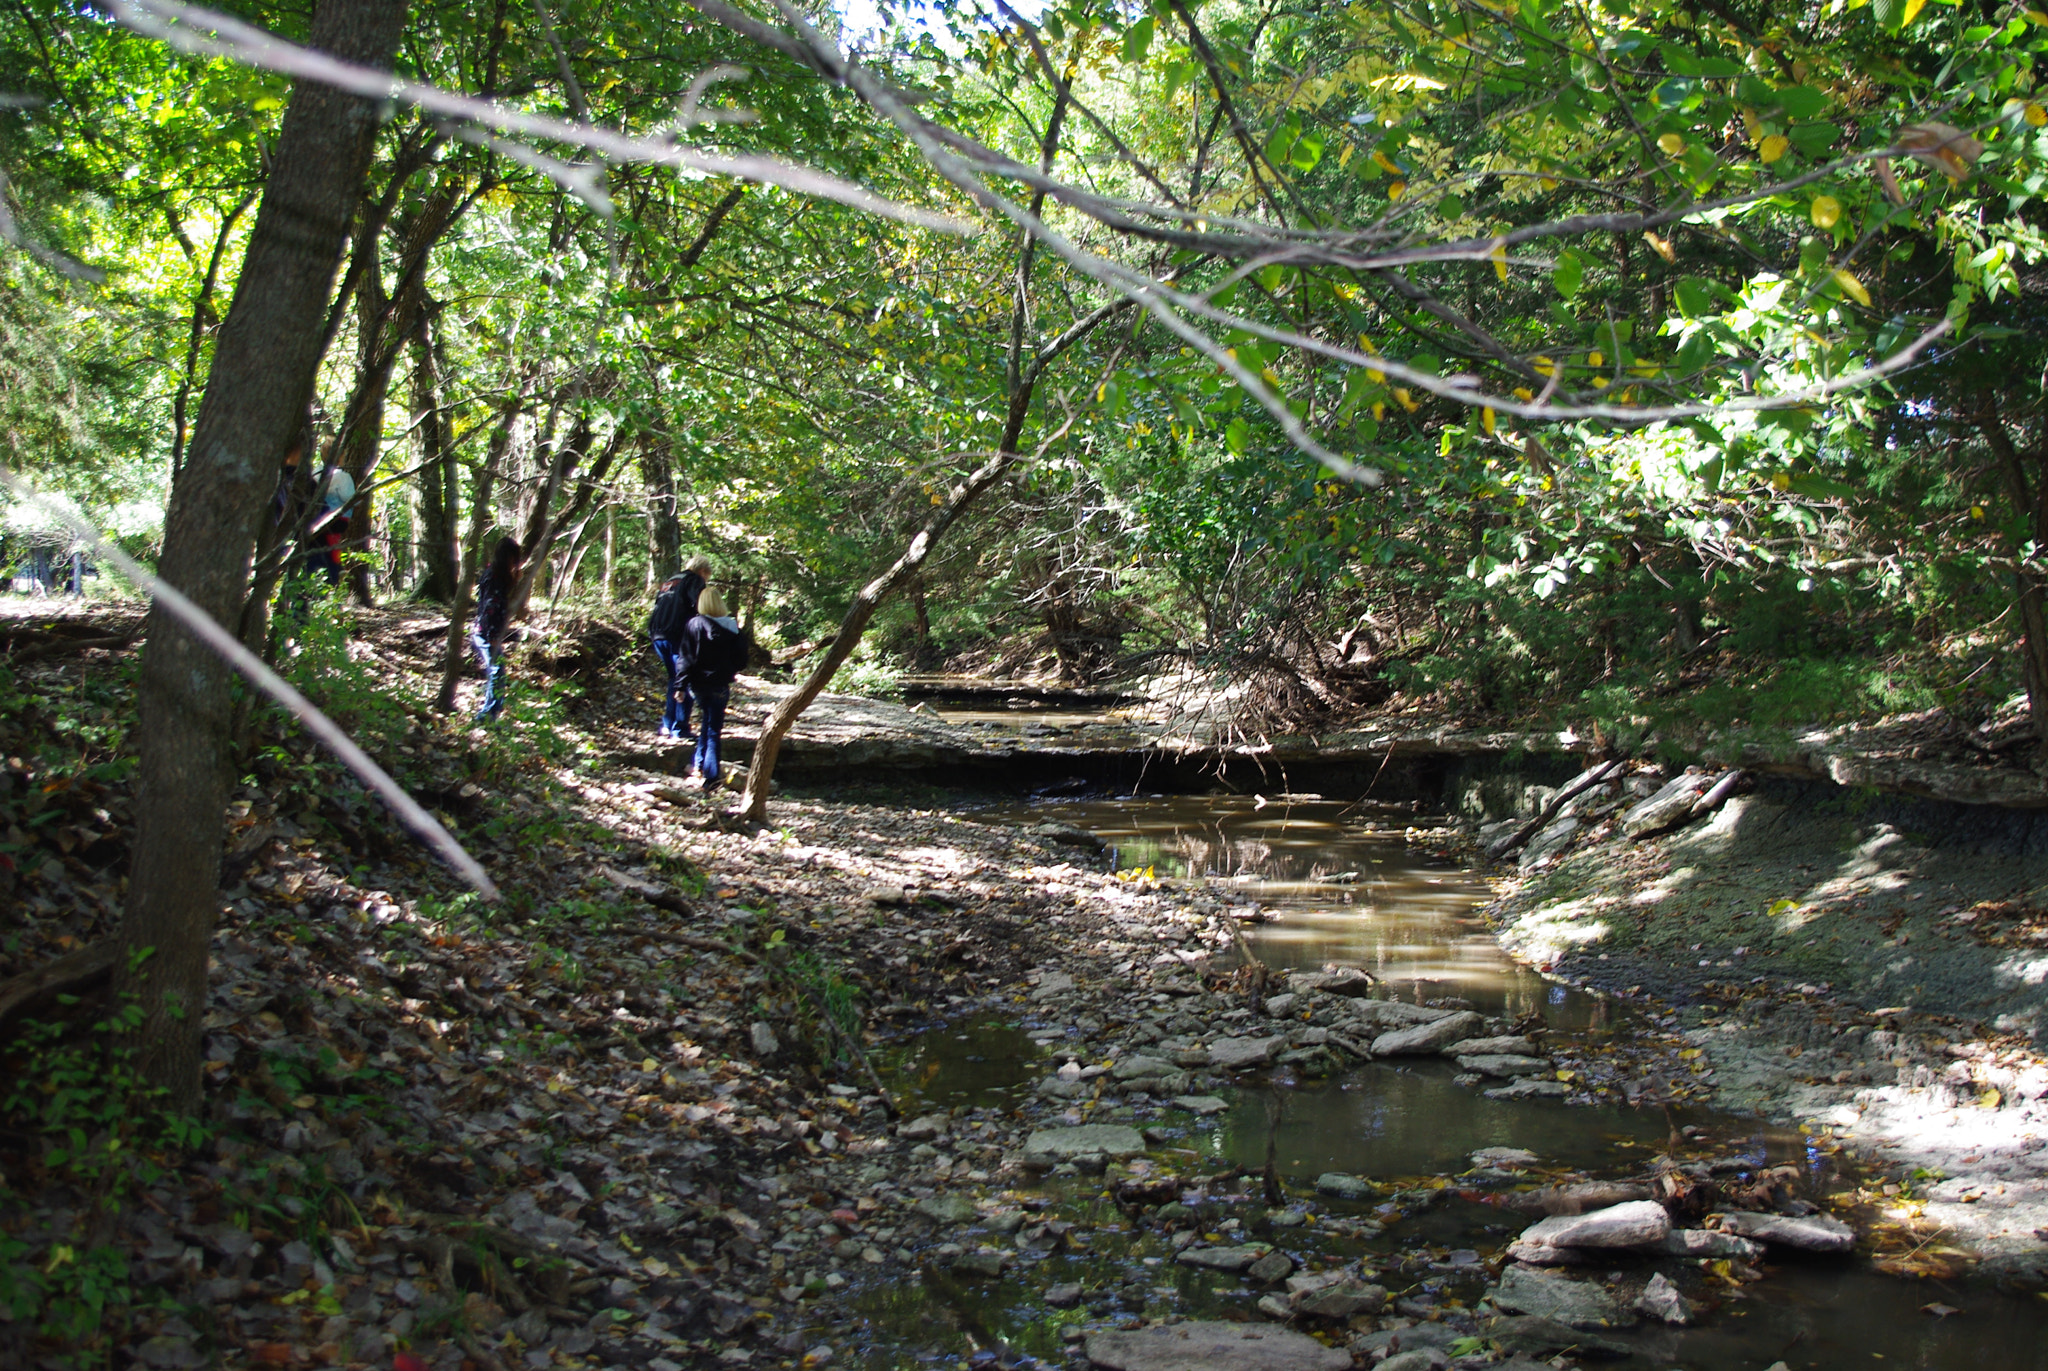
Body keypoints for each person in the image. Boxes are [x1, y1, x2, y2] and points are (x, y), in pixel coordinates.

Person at [675, 586, 746, 786]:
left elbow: (686, 658)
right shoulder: (732, 627)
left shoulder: (694, 624)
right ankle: (709, 774)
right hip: (721, 684)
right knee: (712, 728)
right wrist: (729, 669)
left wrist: (680, 686)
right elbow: (742, 659)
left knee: (707, 724)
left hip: (699, 684)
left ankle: (704, 770)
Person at [647, 555, 711, 738]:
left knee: (674, 678)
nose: (706, 579)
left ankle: (668, 723)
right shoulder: (694, 580)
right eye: (707, 575)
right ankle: (679, 727)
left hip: (658, 634)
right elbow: (701, 606)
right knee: (685, 678)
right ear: (702, 571)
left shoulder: (672, 580)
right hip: (677, 635)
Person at [471, 536, 524, 721]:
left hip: (486, 631)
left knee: (498, 672)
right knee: (497, 673)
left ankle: (491, 714)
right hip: (486, 632)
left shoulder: (494, 574)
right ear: (508, 557)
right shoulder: (494, 576)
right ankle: (487, 717)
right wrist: (492, 633)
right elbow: (490, 606)